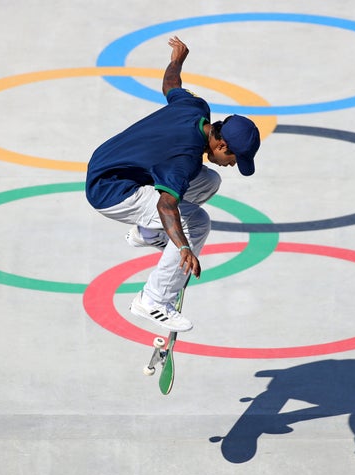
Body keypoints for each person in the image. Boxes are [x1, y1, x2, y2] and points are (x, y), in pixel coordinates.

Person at [85, 36, 261, 332]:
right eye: (234, 158)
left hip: (110, 165)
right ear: (221, 143)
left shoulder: (195, 109)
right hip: (112, 191)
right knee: (198, 224)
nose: (232, 165)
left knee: (208, 180)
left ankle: (145, 233)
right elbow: (166, 205)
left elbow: (170, 85)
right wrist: (182, 248)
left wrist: (177, 59)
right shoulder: (185, 159)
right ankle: (153, 299)